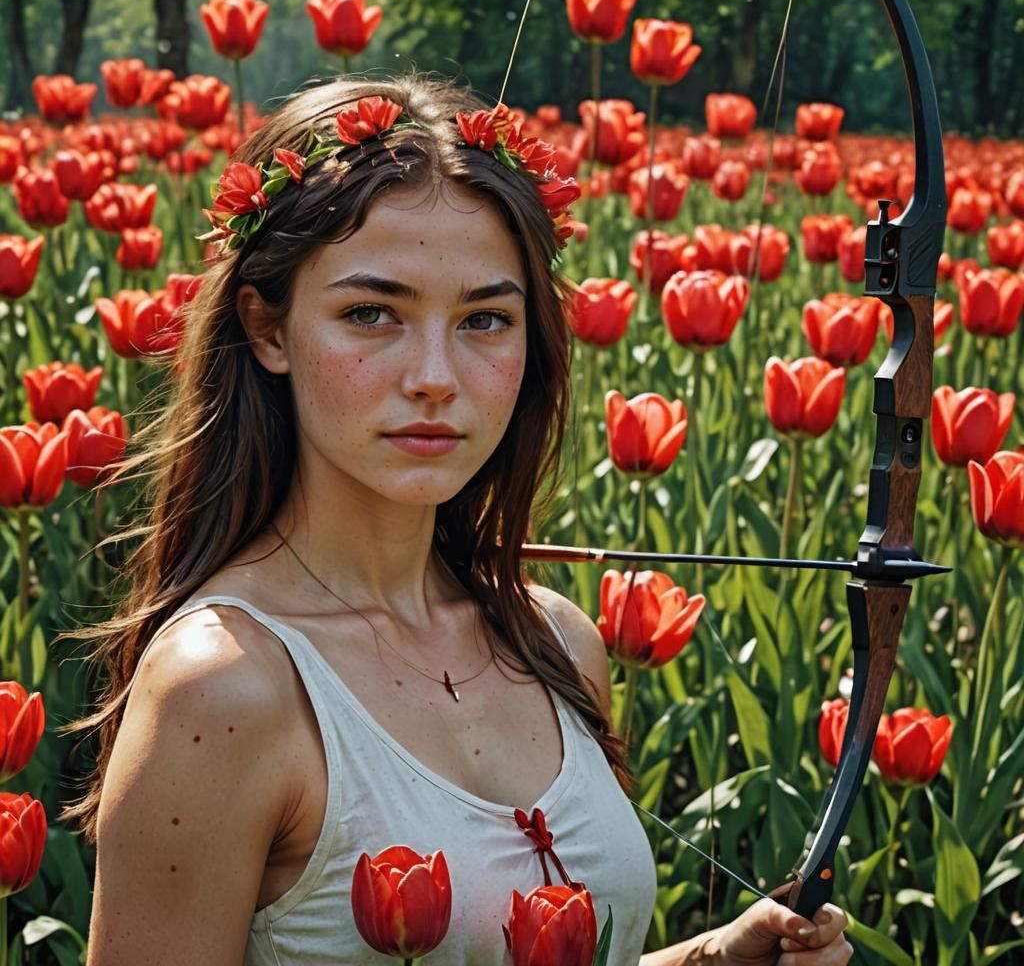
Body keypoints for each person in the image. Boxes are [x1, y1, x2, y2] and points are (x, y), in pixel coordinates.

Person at [59, 73, 852, 965]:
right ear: (268, 327)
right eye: (372, 313)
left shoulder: (553, 642)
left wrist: (709, 959)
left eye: (484, 319)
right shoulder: (228, 688)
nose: (435, 374)